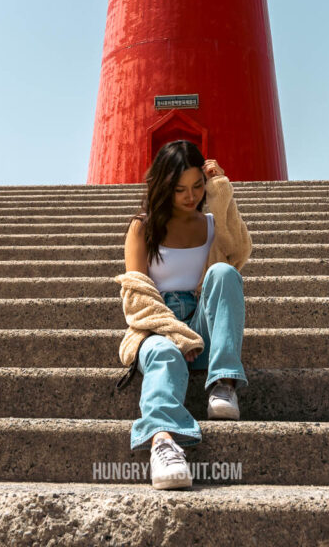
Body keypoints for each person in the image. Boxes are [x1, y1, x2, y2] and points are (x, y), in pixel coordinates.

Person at [116, 140, 252, 490]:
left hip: (202, 328)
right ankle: (163, 443)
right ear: (163, 186)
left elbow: (238, 251)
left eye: (197, 187)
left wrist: (221, 190)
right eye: (180, 189)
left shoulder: (210, 225)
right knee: (162, 352)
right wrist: (176, 334)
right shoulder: (141, 228)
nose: (191, 196)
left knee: (224, 273)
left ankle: (222, 384)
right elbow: (137, 296)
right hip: (155, 327)